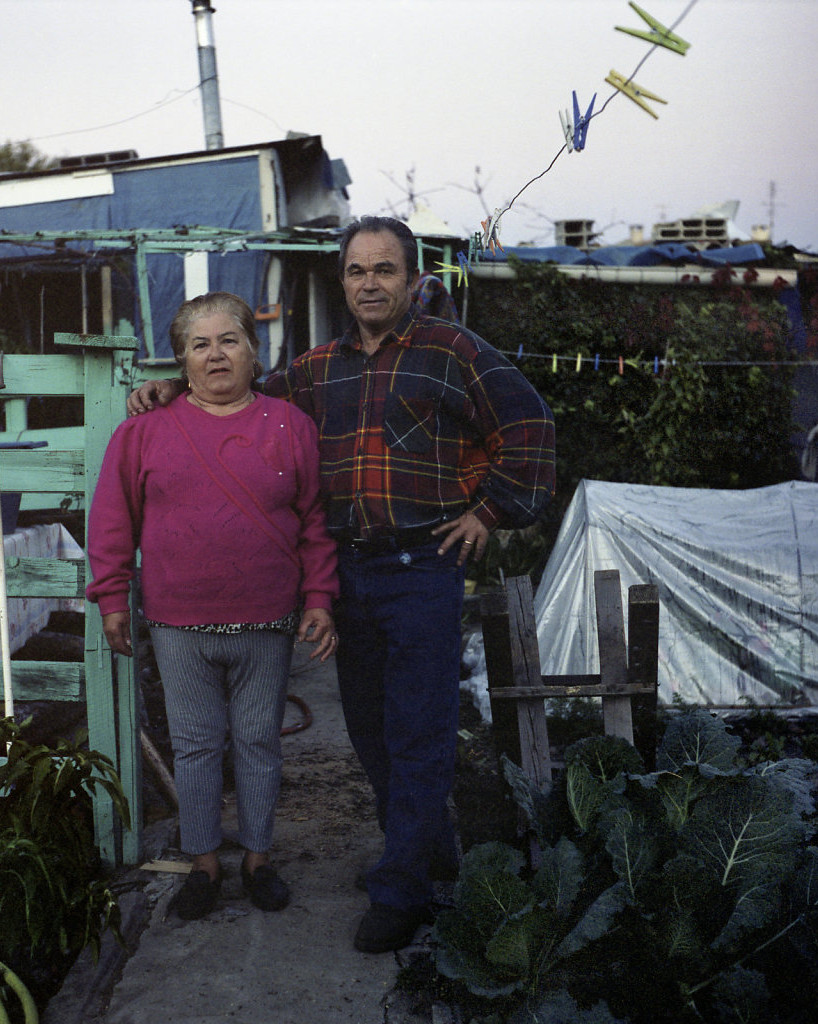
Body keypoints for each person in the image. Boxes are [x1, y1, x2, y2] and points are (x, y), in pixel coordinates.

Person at [127, 217, 555, 952]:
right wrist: (170, 387)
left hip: (423, 569)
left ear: (415, 280)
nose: (370, 284)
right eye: (357, 271)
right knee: (370, 728)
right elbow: (239, 388)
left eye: (385, 270)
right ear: (343, 281)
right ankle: (424, 852)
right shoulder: (319, 368)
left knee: (418, 731)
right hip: (348, 572)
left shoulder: (454, 353)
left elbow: (531, 429)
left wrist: (488, 512)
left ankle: (403, 891)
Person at [87, 291, 339, 921]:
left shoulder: (290, 426)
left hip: (267, 619)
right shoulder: (142, 432)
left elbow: (315, 523)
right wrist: (111, 597)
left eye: (229, 340)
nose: (216, 354)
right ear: (181, 361)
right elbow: (113, 521)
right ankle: (202, 863)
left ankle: (257, 859)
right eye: (199, 344)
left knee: (258, 741)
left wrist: (319, 598)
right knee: (197, 745)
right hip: (178, 623)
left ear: (255, 352)